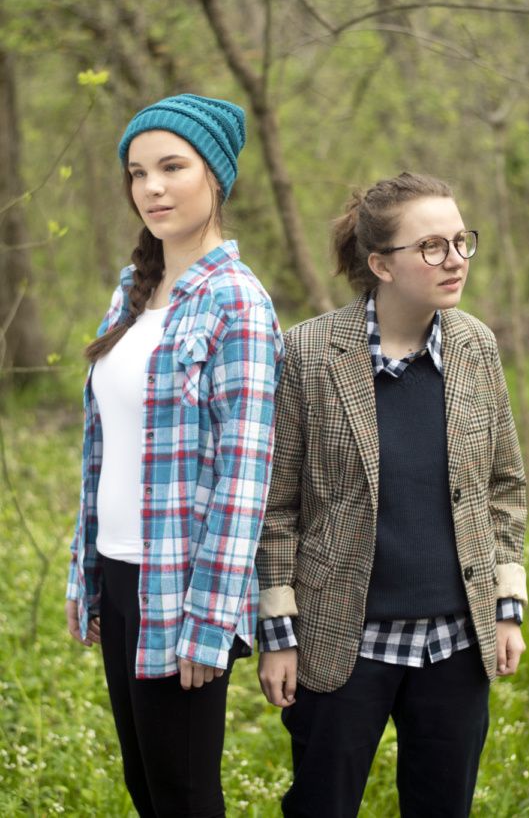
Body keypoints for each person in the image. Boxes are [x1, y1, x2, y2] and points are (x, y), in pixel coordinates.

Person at [256, 172, 527, 818]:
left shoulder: (475, 347)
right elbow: (276, 507)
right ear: (380, 263)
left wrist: (507, 601)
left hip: (455, 645)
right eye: (432, 246)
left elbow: (505, 485)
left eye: (462, 241)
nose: (455, 258)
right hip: (340, 641)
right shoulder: (310, 353)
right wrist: (278, 630)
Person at [65, 93, 284, 818]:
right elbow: (106, 449)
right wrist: (89, 572)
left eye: (171, 167)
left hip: (183, 591)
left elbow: (244, 478)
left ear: (215, 176)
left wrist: (210, 618)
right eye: (137, 172)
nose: (152, 188)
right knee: (147, 790)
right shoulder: (132, 291)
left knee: (186, 796)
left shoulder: (238, 304)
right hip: (121, 575)